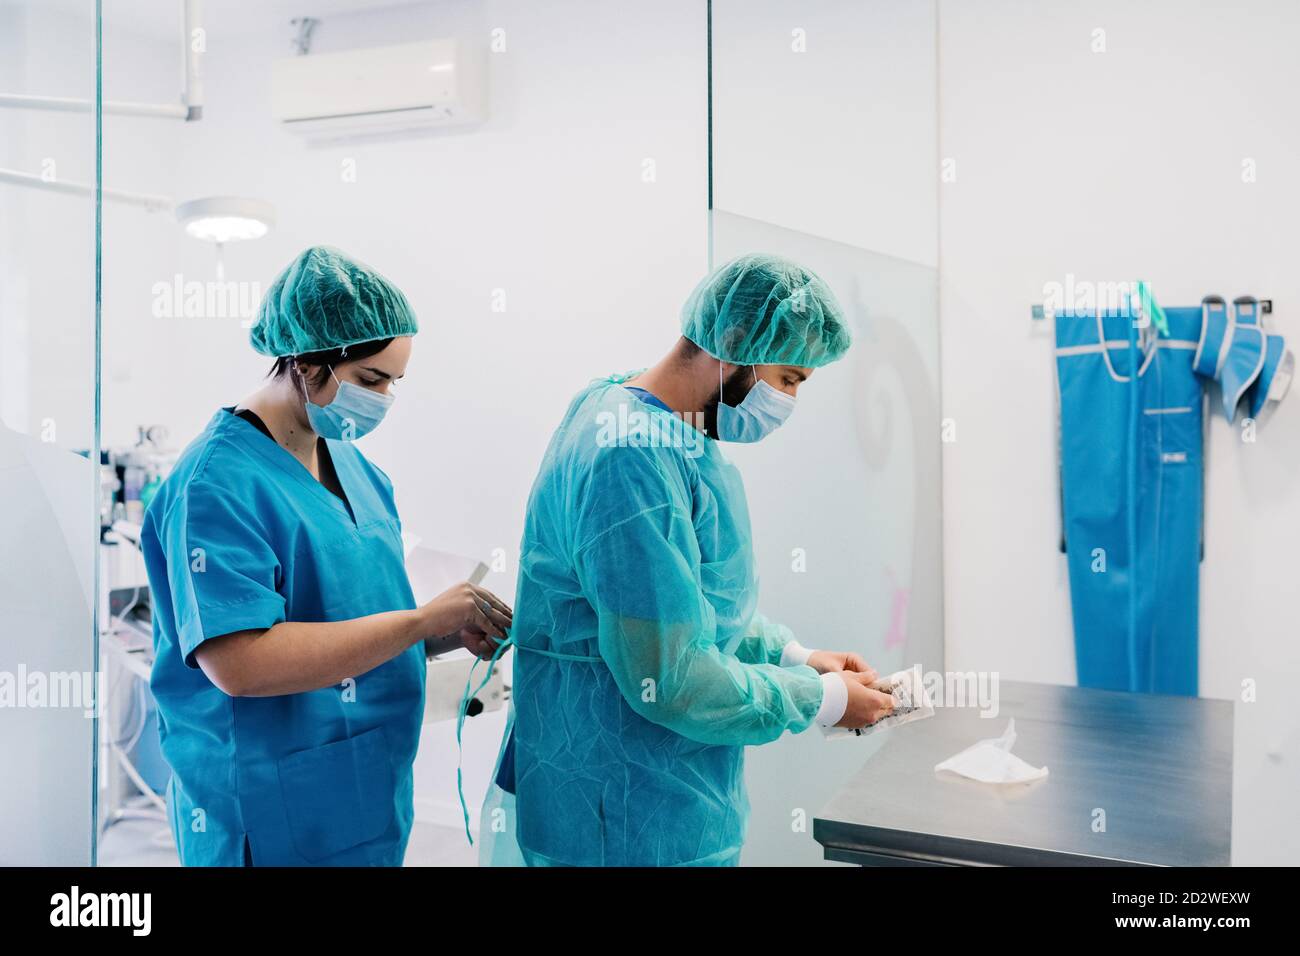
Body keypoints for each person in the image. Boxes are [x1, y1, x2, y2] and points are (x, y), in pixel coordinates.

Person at [483, 253, 894, 867]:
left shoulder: (656, 428)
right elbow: (667, 676)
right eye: (789, 378)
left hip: (645, 799)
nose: (789, 401)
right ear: (732, 342)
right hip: (620, 814)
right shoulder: (632, 458)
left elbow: (678, 607)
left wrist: (792, 655)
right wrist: (819, 699)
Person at [142, 245, 511, 866]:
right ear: (307, 362)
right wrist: (421, 621)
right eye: (370, 379)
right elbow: (241, 664)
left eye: (395, 381)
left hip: (366, 793)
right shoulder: (215, 484)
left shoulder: (356, 470)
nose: (385, 398)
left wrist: (445, 631)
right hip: (266, 808)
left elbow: (350, 620)